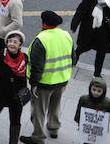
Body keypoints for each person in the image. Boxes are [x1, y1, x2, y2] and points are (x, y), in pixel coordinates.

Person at [20, 11, 76, 144]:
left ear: (44, 23)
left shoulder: (41, 40)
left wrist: (33, 84)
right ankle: (54, 129)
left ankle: (38, 138)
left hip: (44, 84)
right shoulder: (66, 35)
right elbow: (73, 59)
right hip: (62, 80)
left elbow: (36, 67)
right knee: (55, 106)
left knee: (38, 111)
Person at [0, 30, 30, 144]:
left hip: (15, 96)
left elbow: (23, 78)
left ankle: (13, 142)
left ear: (20, 45)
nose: (12, 44)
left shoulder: (24, 58)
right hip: (0, 94)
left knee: (15, 120)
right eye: (10, 41)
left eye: (15, 42)